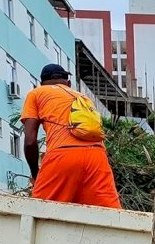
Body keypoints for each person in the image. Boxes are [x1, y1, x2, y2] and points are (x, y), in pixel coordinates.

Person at [21, 63, 122, 208]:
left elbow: (30, 142)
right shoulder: (83, 97)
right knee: (110, 217)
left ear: (41, 83)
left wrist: (35, 174)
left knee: (40, 211)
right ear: (67, 82)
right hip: (97, 157)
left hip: (62, 156)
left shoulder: (37, 93)